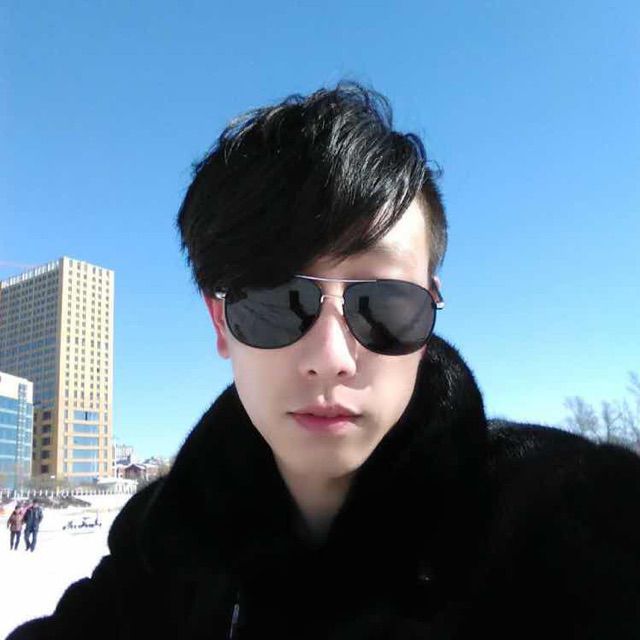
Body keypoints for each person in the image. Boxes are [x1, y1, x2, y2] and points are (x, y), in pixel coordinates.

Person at [8, 83, 640, 639]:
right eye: (275, 303)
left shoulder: (572, 521)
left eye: (384, 304)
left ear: (430, 310)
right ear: (221, 323)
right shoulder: (165, 543)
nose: (331, 358)